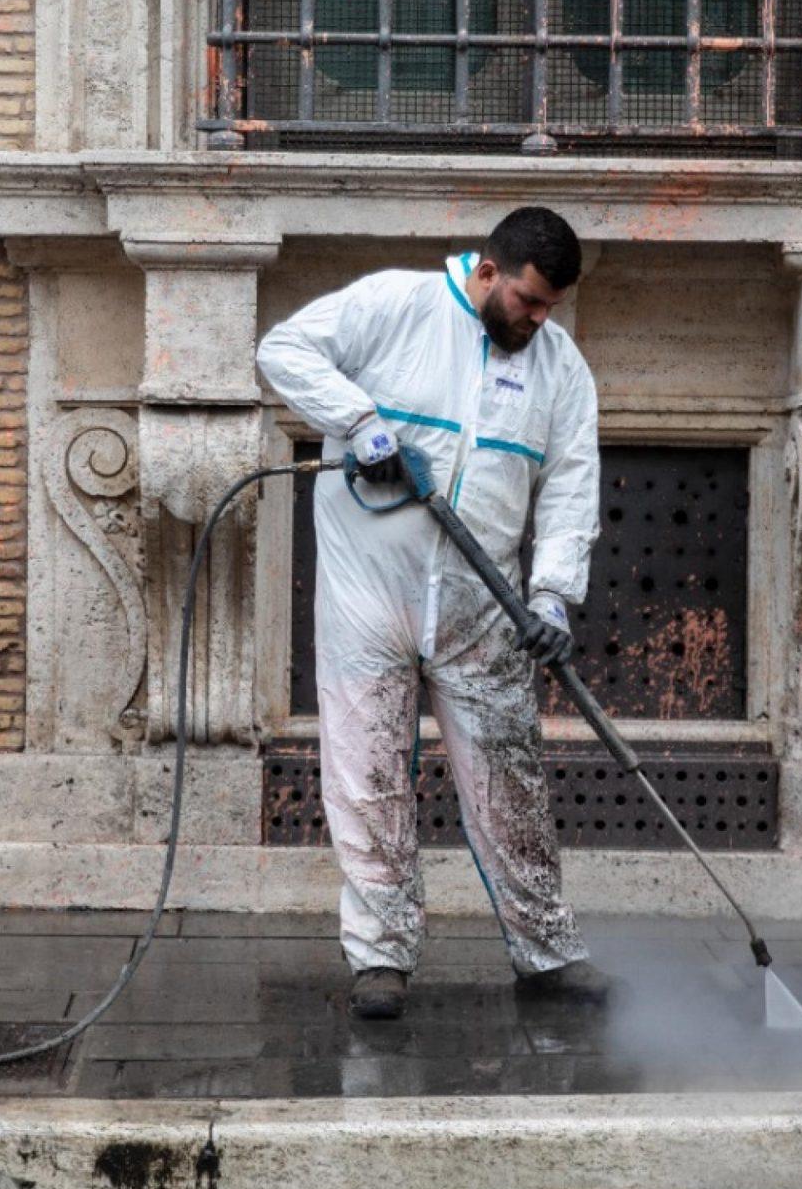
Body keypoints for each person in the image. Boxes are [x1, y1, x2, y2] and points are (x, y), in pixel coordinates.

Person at [257, 205, 611, 1020]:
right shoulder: (396, 305)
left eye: (550, 306)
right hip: (368, 588)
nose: (537, 318)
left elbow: (569, 485)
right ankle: (380, 959)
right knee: (370, 770)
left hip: (483, 605)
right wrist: (361, 424)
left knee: (510, 778)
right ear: (487, 273)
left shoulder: (559, 366)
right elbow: (282, 348)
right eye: (527, 300)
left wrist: (553, 593)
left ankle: (548, 951)